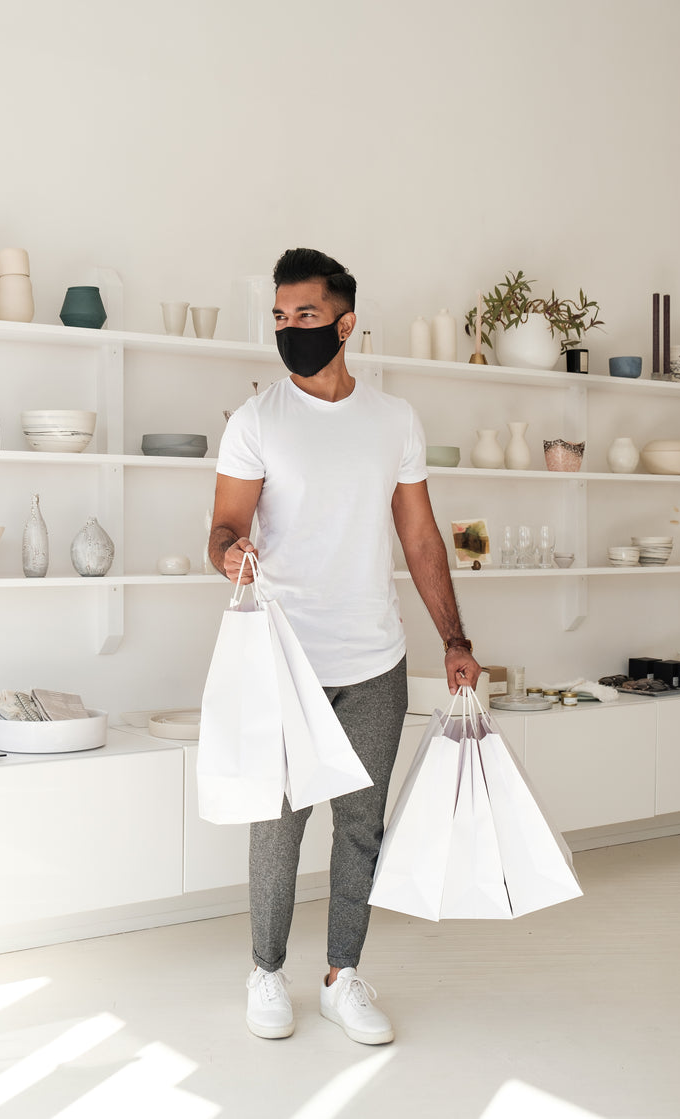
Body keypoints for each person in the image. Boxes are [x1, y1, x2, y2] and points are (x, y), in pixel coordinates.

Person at [208, 247, 481, 1046]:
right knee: (279, 824)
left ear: (346, 323)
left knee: (361, 826)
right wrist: (228, 552)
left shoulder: (393, 420)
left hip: (375, 659)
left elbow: (421, 535)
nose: (291, 330)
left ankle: (340, 976)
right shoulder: (257, 420)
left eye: (307, 316)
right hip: (285, 660)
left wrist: (454, 639)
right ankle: (265, 971)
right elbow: (223, 528)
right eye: (282, 318)